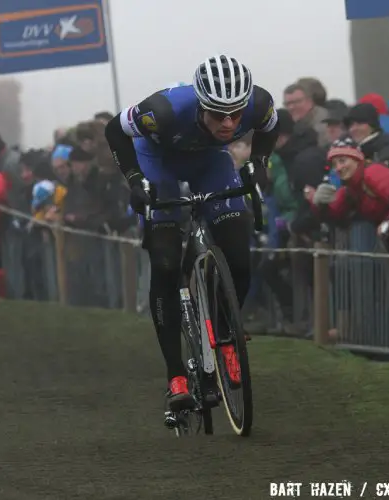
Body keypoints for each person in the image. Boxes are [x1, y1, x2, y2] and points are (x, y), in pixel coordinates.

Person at [104, 54, 279, 411]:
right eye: (217, 114)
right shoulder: (162, 111)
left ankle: (226, 337)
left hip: (210, 163)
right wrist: (136, 181)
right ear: (200, 104)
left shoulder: (258, 103)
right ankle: (176, 375)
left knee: (239, 260)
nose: (229, 123)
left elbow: (272, 127)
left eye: (235, 114)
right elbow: (113, 130)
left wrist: (259, 163)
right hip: (157, 161)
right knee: (167, 266)